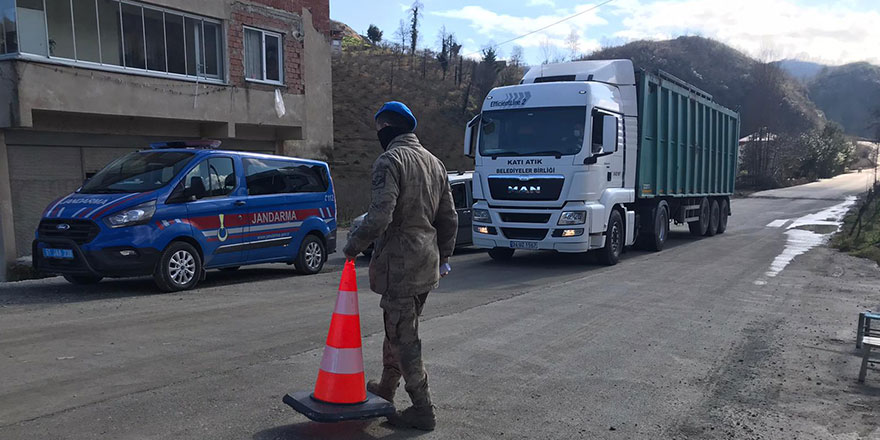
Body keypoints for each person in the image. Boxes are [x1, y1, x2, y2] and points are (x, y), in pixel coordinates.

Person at [343, 101, 458, 431]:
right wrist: (445, 256)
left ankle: (423, 409)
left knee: (404, 338)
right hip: (426, 263)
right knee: (397, 330)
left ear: (387, 129)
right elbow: (448, 217)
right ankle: (386, 390)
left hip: (400, 265)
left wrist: (352, 246)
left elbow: (380, 215)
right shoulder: (435, 163)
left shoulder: (389, 160)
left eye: (380, 128)